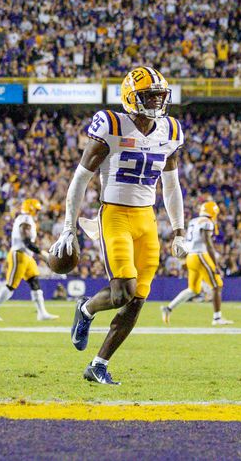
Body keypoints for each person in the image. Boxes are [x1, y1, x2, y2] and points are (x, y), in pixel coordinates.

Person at [49, 66, 187, 385]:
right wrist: (69, 226)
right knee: (122, 292)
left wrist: (178, 230)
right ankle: (86, 309)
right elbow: (80, 178)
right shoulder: (111, 125)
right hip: (114, 214)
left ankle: (98, 364)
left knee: (138, 297)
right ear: (130, 97)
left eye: (159, 96)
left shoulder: (171, 131)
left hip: (146, 219)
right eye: (148, 96)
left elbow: (171, 184)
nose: (155, 102)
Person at [0, 198, 58, 322]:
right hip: (19, 254)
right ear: (31, 209)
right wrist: (42, 253)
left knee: (34, 281)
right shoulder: (26, 219)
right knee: (11, 286)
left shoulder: (26, 219)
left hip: (27, 256)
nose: (38, 213)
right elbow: (26, 241)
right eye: (36, 210)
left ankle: (42, 313)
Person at [161, 201, 232, 325]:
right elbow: (208, 244)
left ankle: (168, 308)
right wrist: (215, 264)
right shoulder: (207, 223)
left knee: (193, 290)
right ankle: (217, 318)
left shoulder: (194, 221)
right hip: (200, 256)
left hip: (191, 257)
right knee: (217, 285)